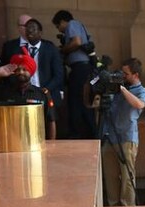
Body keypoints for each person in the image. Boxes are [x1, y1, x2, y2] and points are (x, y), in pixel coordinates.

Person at [101, 58, 145, 206]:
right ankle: (113, 204)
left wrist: (122, 89)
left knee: (127, 175)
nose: (122, 76)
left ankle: (127, 206)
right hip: (109, 136)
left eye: (125, 74)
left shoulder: (141, 91)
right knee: (110, 175)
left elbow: (139, 104)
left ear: (135, 75)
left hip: (126, 137)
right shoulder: (114, 89)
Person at [52, 10, 96, 139]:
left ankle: (76, 133)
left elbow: (76, 42)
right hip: (80, 69)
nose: (59, 30)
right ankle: (87, 131)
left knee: (76, 101)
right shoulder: (76, 26)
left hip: (80, 69)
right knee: (81, 100)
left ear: (62, 21)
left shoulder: (72, 24)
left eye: (58, 26)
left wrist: (61, 50)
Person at [0, 50, 57, 139]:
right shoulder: (4, 92)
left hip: (35, 143)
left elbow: (51, 121)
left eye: (25, 69)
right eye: (18, 69)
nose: (21, 72)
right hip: (10, 142)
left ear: (31, 72)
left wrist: (52, 144)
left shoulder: (42, 94)